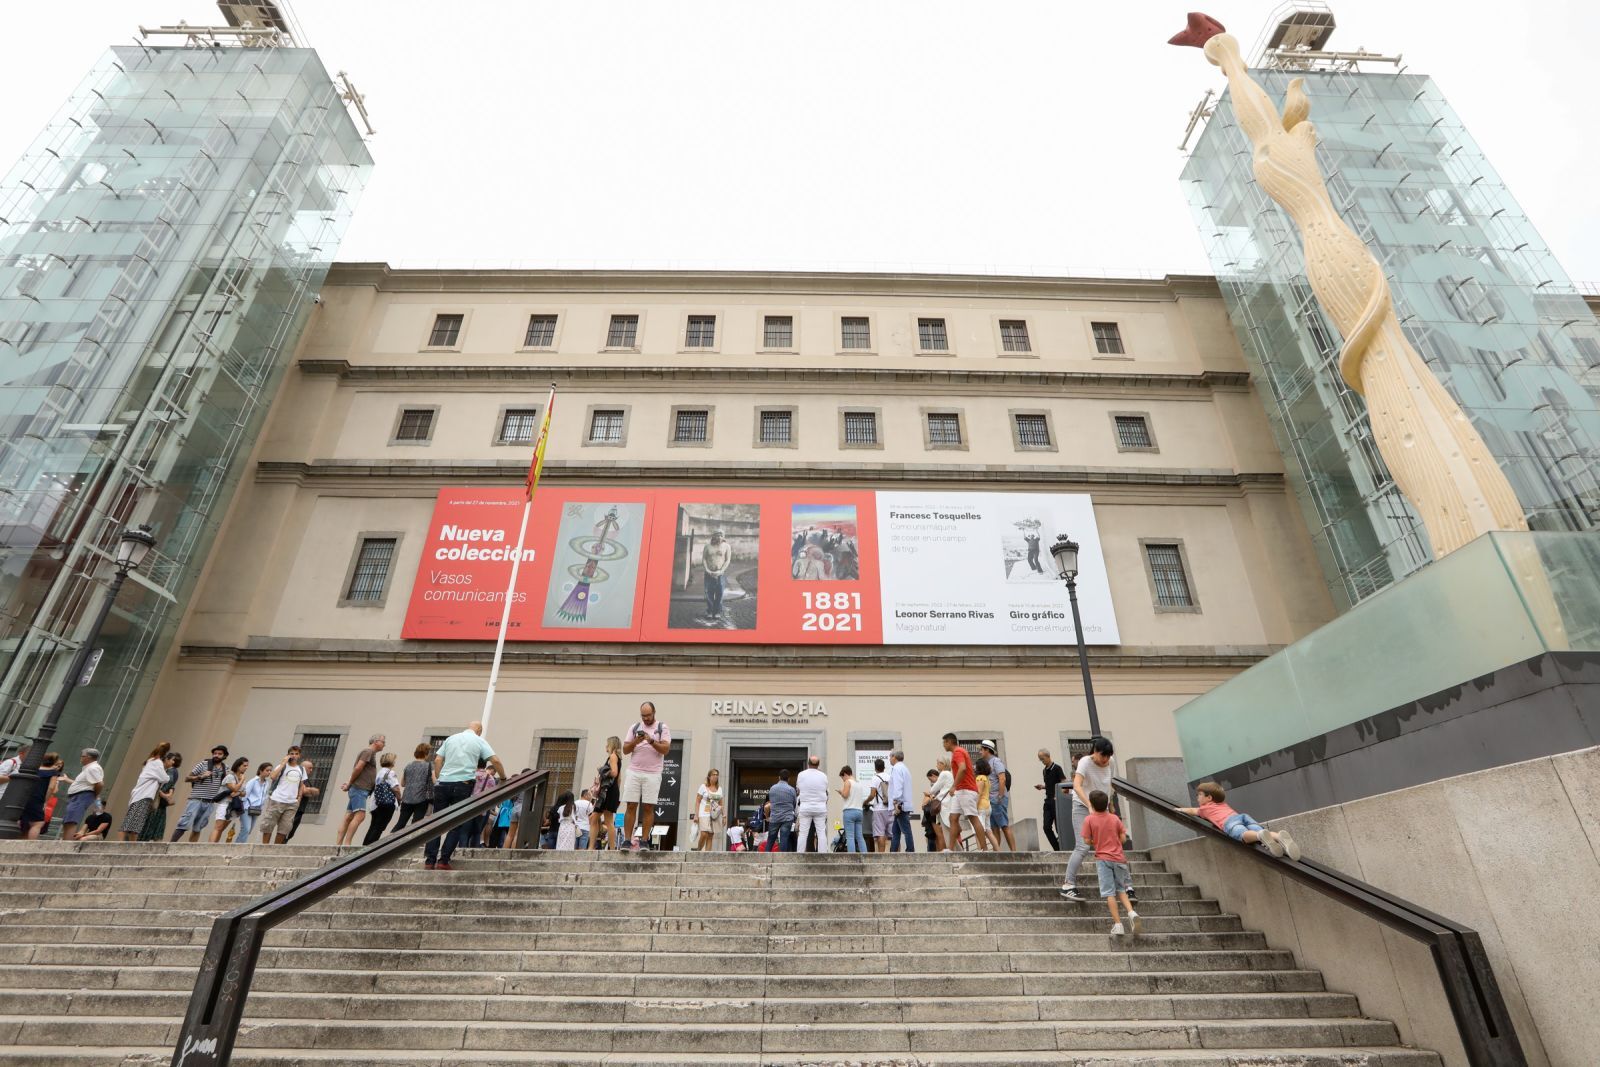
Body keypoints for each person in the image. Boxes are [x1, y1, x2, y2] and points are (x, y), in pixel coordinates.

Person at [425, 721, 503, 871]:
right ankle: (443, 860)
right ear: (479, 731)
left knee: (436, 823)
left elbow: (438, 759)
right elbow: (495, 760)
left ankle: (430, 860)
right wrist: (504, 777)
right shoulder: (479, 740)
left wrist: (440, 777)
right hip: (462, 784)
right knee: (456, 824)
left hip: (443, 784)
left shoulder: (451, 738)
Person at [1177, 781, 1300, 860]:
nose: (1197, 798)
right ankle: (1278, 836)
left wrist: (1181, 809)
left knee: (1243, 835)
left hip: (1228, 822)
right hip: (1241, 816)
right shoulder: (1221, 804)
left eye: (1199, 795)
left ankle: (1259, 836)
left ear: (1209, 798)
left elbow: (1193, 811)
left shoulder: (1204, 809)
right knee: (1256, 827)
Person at [1061, 736, 1117, 903]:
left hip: (1102, 807)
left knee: (1110, 845)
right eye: (1103, 756)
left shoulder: (1111, 762)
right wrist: (1089, 806)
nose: (1105, 760)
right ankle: (1068, 884)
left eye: (1108, 756)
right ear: (1095, 752)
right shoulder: (1085, 762)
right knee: (1083, 846)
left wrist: (1110, 806)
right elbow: (1077, 785)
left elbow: (1109, 785)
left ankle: (1123, 886)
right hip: (1081, 806)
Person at [1079, 789, 1140, 939]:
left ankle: (1118, 924)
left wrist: (1097, 841)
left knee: (1109, 893)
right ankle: (1131, 913)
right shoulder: (1114, 818)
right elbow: (1123, 838)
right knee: (1121, 889)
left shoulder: (1089, 820)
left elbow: (1086, 840)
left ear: (1092, 805)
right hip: (1119, 859)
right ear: (1107, 804)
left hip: (1103, 860)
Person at [621, 702, 670, 850]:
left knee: (648, 807)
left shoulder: (662, 728)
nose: (646, 718)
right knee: (631, 805)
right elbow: (625, 750)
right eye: (643, 715)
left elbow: (665, 749)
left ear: (654, 712)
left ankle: (644, 840)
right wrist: (636, 740)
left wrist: (651, 740)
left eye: (648, 715)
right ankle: (627, 840)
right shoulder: (634, 727)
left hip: (653, 773)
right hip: (634, 771)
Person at [942, 734, 991, 852]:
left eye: (944, 742)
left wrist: (953, 786)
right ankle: (951, 849)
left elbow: (962, 768)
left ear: (949, 742)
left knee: (973, 817)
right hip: (961, 790)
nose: (943, 745)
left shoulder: (958, 752)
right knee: (953, 818)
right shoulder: (959, 752)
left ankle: (984, 849)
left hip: (966, 790)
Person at [336, 733, 386, 847]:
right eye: (383, 742)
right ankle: (347, 844)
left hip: (358, 788)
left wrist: (350, 783)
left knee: (348, 816)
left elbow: (358, 769)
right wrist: (349, 783)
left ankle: (338, 844)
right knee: (360, 816)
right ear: (376, 742)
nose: (384, 744)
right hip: (360, 789)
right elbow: (358, 767)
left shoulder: (369, 753)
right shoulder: (368, 752)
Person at [173, 746, 230, 842]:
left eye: (219, 754)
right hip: (196, 799)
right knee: (184, 824)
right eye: (215, 753)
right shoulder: (203, 764)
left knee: (198, 828)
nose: (216, 755)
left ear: (224, 756)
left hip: (210, 802)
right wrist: (201, 776)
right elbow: (187, 778)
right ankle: (169, 845)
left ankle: (191, 850)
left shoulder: (226, 768)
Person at [259, 745, 310, 845]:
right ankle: (264, 847)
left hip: (291, 803)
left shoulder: (301, 769)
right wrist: (283, 763)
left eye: (296, 754)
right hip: (277, 799)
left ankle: (275, 848)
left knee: (285, 828)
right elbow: (272, 777)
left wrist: (298, 798)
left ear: (299, 756)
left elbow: (301, 784)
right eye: (292, 753)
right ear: (288, 754)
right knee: (268, 824)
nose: (294, 756)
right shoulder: (282, 766)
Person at [120, 742, 171, 842]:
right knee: (133, 823)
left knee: (133, 823)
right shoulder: (157, 763)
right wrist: (167, 772)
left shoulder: (150, 761)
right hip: (144, 796)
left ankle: (131, 845)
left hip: (139, 794)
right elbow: (165, 778)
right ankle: (125, 844)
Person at [58, 747, 105, 841]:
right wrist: (67, 780)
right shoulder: (89, 768)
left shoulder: (92, 768)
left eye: (82, 756)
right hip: (78, 796)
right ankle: (65, 842)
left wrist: (96, 796)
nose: (81, 758)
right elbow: (84, 784)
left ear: (88, 757)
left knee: (71, 820)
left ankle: (67, 844)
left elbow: (99, 784)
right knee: (68, 820)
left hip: (81, 796)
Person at [980, 740, 1016, 851]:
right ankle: (997, 852)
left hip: (997, 799)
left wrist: (1000, 796)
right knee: (994, 828)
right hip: (990, 800)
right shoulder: (987, 763)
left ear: (987, 750)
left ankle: (1014, 852)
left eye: (982, 750)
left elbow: (1002, 778)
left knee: (1004, 826)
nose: (980, 752)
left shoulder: (996, 761)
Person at [19, 752, 64, 839]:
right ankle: (29, 844)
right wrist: (45, 801)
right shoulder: (53, 772)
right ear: (53, 761)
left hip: (25, 797)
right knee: (38, 823)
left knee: (23, 821)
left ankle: (18, 840)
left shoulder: (34, 769)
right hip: (38, 798)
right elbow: (51, 788)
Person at [208, 756, 252, 843]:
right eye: (244, 765)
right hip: (225, 804)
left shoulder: (242, 778)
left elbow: (244, 793)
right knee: (218, 827)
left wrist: (238, 792)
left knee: (222, 829)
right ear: (238, 766)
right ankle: (209, 846)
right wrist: (241, 781)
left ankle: (214, 846)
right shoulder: (230, 776)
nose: (246, 767)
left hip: (234, 806)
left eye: (247, 766)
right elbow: (235, 788)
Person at [140, 751, 180, 842]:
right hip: (161, 802)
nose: (164, 761)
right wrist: (169, 794)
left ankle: (144, 841)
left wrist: (165, 795)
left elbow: (164, 784)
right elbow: (172, 786)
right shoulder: (174, 771)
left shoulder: (170, 771)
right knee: (158, 826)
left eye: (166, 759)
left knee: (150, 824)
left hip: (158, 802)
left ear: (172, 760)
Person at [393, 743, 434, 833]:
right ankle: (410, 844)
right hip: (421, 799)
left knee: (401, 823)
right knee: (416, 824)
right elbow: (434, 781)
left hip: (407, 798)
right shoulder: (429, 766)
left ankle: (388, 842)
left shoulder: (408, 765)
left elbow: (403, 783)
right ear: (426, 753)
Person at [590, 735, 621, 850]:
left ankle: (593, 848)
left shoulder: (612, 756)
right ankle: (611, 848)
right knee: (604, 820)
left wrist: (602, 772)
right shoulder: (618, 758)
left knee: (601, 820)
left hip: (607, 792)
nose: (606, 746)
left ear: (611, 745)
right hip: (612, 791)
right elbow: (619, 779)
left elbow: (614, 773)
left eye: (607, 744)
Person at [363, 751, 401, 844]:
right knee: (379, 827)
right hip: (387, 803)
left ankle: (365, 846)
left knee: (373, 826)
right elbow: (395, 788)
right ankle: (371, 847)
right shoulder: (390, 772)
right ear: (392, 761)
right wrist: (399, 799)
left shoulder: (380, 772)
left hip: (376, 803)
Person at [795, 756, 829, 853]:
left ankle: (800, 854)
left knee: (803, 833)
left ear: (808, 764)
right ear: (818, 765)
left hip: (805, 807)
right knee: (821, 832)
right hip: (820, 807)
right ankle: (823, 854)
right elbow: (826, 790)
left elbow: (798, 789)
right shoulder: (823, 776)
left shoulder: (801, 775)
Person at [1036, 749, 1066, 850]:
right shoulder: (1044, 771)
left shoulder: (1057, 768)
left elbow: (1063, 783)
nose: (1042, 761)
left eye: (1042, 759)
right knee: (1046, 827)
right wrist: (1043, 787)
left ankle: (1063, 848)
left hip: (1056, 800)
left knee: (1059, 828)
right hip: (1048, 801)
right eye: (1040, 760)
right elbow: (1050, 784)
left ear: (1048, 756)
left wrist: (1059, 796)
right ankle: (1057, 848)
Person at [284, 760, 321, 842]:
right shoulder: (298, 777)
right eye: (310, 768)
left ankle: (283, 843)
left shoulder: (306, 780)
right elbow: (304, 791)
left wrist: (310, 790)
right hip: (294, 808)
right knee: (287, 830)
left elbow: (312, 792)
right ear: (303, 768)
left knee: (291, 832)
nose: (311, 770)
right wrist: (311, 790)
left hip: (300, 809)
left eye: (312, 768)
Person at [887, 749, 915, 853]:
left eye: (890, 756)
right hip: (904, 803)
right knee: (895, 831)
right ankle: (893, 851)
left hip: (899, 804)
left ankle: (910, 850)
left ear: (894, 757)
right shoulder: (905, 768)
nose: (889, 759)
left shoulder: (896, 769)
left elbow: (898, 786)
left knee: (905, 829)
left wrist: (896, 801)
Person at [837, 766, 870, 853]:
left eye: (842, 777)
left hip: (849, 811)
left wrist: (841, 792)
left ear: (845, 774)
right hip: (859, 811)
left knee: (850, 836)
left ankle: (852, 857)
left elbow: (845, 795)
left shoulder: (848, 782)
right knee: (859, 836)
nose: (843, 780)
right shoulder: (858, 784)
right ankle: (865, 855)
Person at [702, 530, 732, 622]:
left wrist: (721, 571)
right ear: (713, 536)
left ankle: (717, 611)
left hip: (720, 574)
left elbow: (727, 560)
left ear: (723, 537)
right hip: (709, 573)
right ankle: (710, 611)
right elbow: (704, 559)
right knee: (709, 593)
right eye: (717, 535)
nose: (719, 537)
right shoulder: (707, 546)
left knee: (719, 593)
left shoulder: (726, 546)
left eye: (721, 535)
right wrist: (707, 570)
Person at [239, 761, 273, 842]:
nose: (269, 772)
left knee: (249, 830)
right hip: (247, 808)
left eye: (270, 771)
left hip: (257, 809)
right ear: (261, 771)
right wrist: (242, 807)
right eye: (267, 770)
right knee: (246, 829)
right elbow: (245, 794)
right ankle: (238, 848)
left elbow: (263, 796)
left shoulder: (266, 783)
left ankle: (240, 846)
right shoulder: (253, 781)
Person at [766, 768, 797, 852]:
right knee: (784, 838)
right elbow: (794, 804)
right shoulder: (791, 789)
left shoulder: (772, 788)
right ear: (789, 779)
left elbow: (771, 801)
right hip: (787, 818)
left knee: (771, 838)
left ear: (779, 777)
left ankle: (765, 856)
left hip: (774, 817)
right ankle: (782, 858)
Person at [693, 769, 724, 851]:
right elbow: (697, 801)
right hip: (703, 813)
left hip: (714, 815)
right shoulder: (703, 787)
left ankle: (707, 855)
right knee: (704, 834)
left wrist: (724, 816)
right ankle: (699, 849)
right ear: (709, 776)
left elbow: (721, 804)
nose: (715, 776)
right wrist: (696, 815)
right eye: (713, 774)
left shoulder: (719, 789)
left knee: (710, 835)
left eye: (717, 775)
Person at [928, 758, 953, 851]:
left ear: (943, 764)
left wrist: (929, 792)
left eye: (938, 763)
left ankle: (951, 849)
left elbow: (934, 788)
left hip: (944, 804)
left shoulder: (944, 774)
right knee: (949, 828)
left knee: (946, 829)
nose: (936, 765)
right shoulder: (950, 774)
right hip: (949, 803)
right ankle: (957, 850)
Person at [869, 758, 892, 853]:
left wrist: (866, 801)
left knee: (880, 834)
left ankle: (881, 856)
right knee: (892, 834)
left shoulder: (875, 778)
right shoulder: (890, 777)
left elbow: (872, 794)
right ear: (884, 767)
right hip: (890, 808)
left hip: (879, 809)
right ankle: (896, 855)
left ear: (875, 768)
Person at [920, 768, 942, 852]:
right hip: (932, 813)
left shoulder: (938, 785)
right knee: (931, 835)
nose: (930, 782)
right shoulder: (936, 785)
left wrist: (928, 797)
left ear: (933, 776)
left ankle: (935, 852)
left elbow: (934, 798)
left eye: (930, 779)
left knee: (934, 835)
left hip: (935, 813)